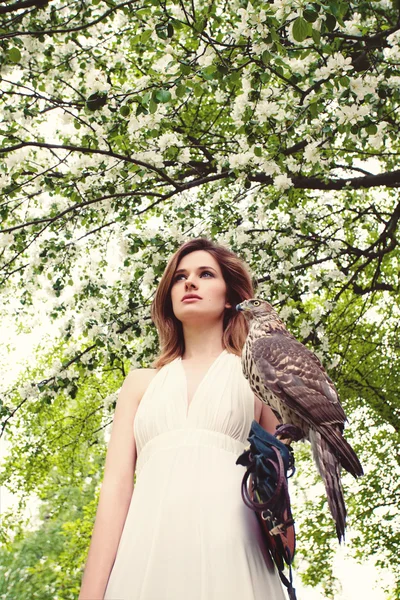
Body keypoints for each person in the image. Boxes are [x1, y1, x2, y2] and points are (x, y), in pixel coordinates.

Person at [79, 238, 286, 600]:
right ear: (169, 297)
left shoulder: (257, 378)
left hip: (237, 553)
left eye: (205, 274)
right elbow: (115, 490)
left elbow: (277, 490)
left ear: (228, 296)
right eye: (179, 277)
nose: (189, 282)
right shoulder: (140, 383)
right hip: (146, 554)